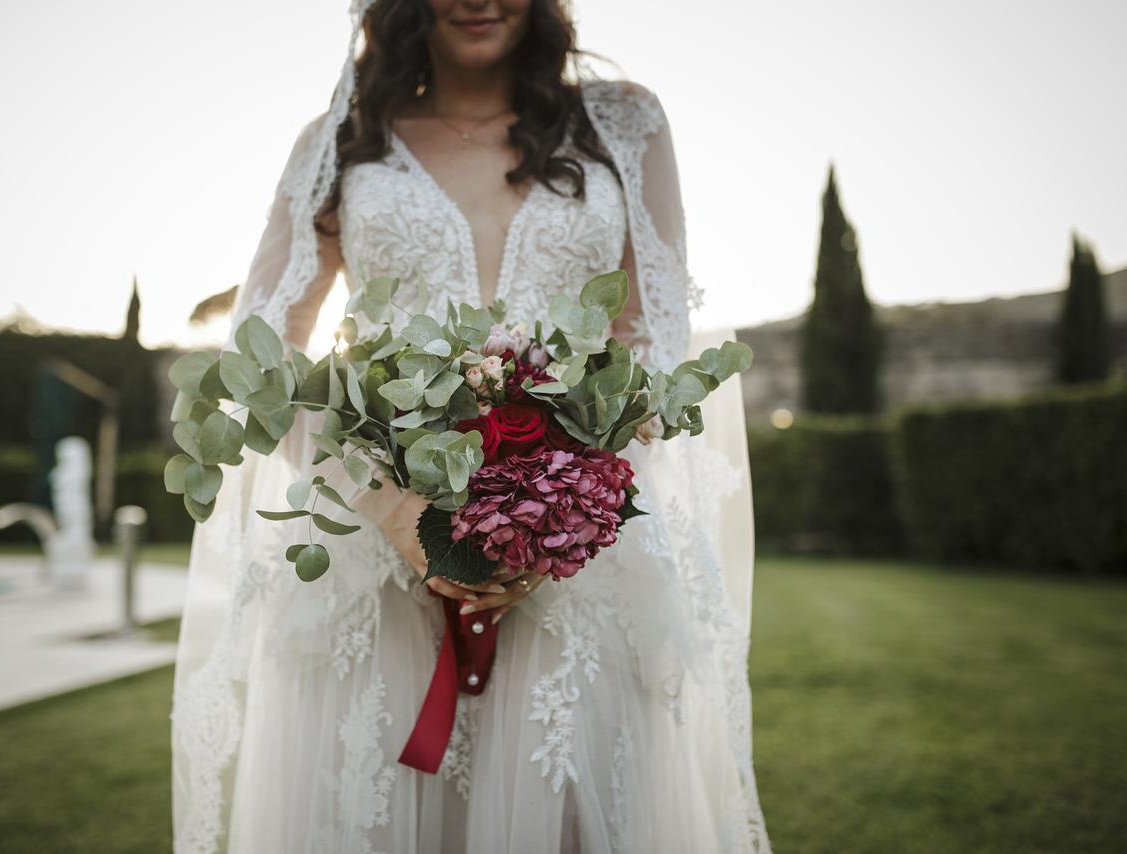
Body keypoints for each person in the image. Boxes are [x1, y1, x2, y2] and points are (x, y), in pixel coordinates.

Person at [171, 1, 770, 852]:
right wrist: (394, 515)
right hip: (372, 560)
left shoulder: (624, 123)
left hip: (582, 560)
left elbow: (652, 338)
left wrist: (563, 515)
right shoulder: (343, 140)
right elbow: (266, 354)